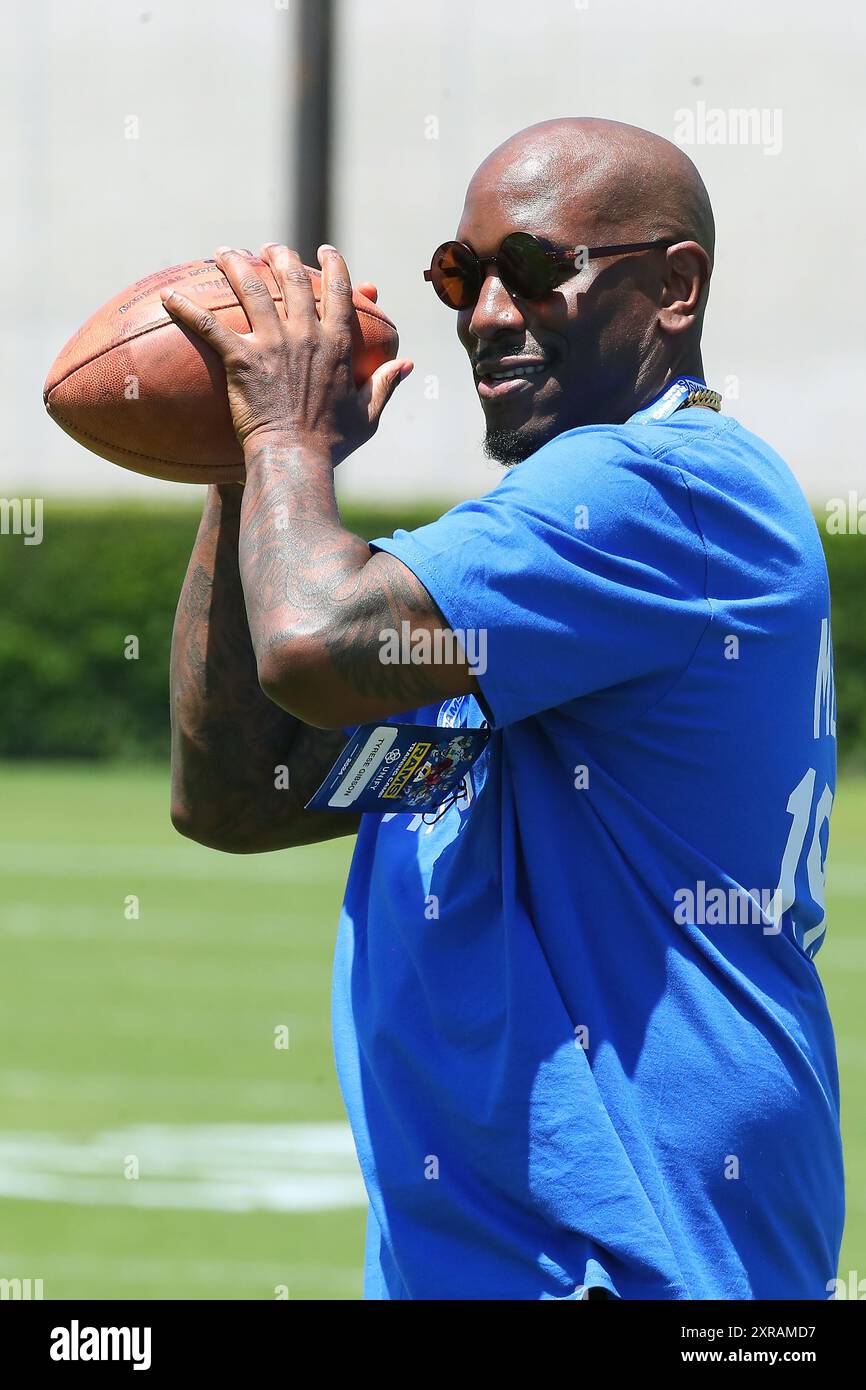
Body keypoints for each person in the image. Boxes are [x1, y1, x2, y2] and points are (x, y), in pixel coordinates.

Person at [164, 117, 844, 1300]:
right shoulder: (544, 585)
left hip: (645, 1267)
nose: (483, 313)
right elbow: (238, 791)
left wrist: (284, 433)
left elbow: (314, 639)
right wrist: (242, 470)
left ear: (673, 288)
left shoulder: (661, 488)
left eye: (532, 271)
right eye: (458, 275)